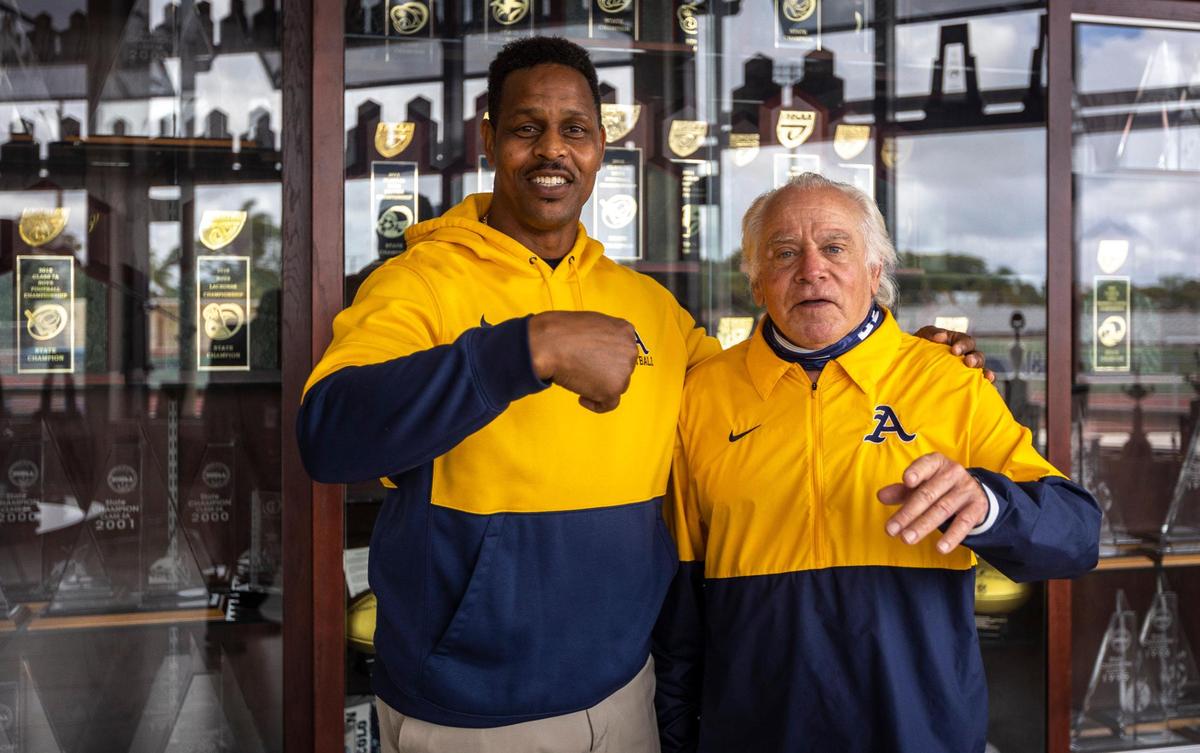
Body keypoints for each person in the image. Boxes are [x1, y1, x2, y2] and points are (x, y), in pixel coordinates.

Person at [297, 38, 988, 753]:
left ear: (602, 144)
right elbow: (328, 435)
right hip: (477, 711)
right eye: (526, 127)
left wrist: (901, 355)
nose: (551, 151)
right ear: (489, 138)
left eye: (575, 130)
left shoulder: (647, 306)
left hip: (629, 689)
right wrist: (524, 348)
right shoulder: (420, 282)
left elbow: (764, 394)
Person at [652, 173, 1101, 753]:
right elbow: (680, 610)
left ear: (874, 271)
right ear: (758, 282)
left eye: (835, 247)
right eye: (785, 253)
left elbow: (1077, 536)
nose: (812, 269)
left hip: (919, 732)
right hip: (755, 732)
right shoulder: (702, 395)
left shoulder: (947, 381)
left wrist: (989, 505)